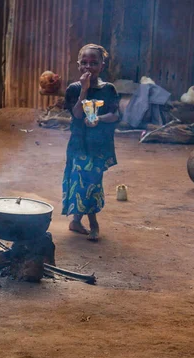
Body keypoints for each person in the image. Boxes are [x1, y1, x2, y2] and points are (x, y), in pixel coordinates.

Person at [62, 44, 120, 241]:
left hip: (99, 145)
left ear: (102, 66)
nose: (89, 67)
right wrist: (84, 91)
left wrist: (99, 120)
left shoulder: (109, 90)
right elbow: (78, 114)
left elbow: (115, 115)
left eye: (94, 63)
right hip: (79, 144)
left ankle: (76, 221)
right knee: (84, 182)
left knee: (90, 182)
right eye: (84, 63)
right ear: (78, 65)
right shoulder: (74, 89)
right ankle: (93, 224)